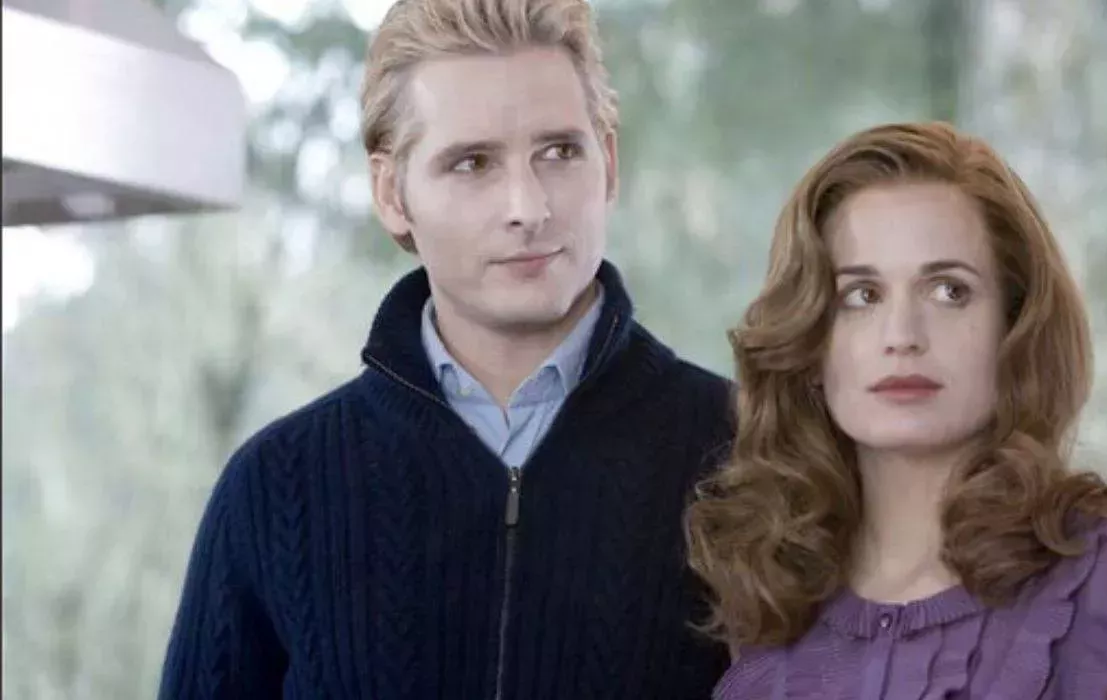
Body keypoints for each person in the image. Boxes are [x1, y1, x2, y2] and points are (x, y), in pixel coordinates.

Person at [158, 0, 733, 697]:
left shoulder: (748, 457)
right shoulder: (273, 489)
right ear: (392, 194)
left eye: (558, 152)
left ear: (608, 162)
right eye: (472, 163)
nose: (527, 207)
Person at [684, 121, 1107, 699]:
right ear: (810, 342)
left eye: (949, 291)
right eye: (862, 296)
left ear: (1014, 326)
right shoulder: (766, 605)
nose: (902, 335)